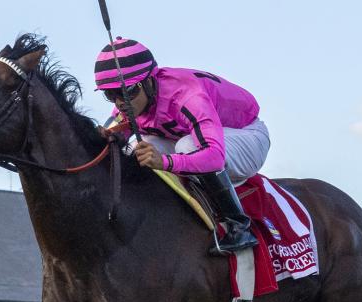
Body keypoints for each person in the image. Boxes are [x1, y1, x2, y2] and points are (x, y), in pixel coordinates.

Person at [94, 38, 269, 254]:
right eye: (111, 94)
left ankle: (239, 226)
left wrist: (164, 162)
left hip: (248, 136)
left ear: (149, 82)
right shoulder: (131, 102)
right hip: (197, 136)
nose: (120, 102)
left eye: (127, 92)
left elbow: (214, 156)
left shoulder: (188, 96)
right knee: (136, 149)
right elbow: (112, 134)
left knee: (187, 146)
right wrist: (105, 136)